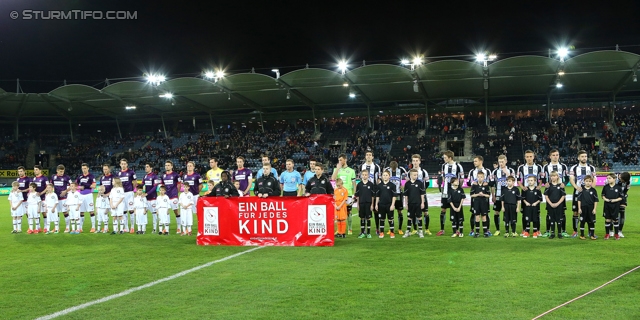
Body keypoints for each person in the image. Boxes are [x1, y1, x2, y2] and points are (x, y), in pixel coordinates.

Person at [541, 149, 570, 238]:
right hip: (551, 190)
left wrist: (564, 184)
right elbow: (543, 177)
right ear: (550, 156)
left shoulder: (563, 166)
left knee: (562, 212)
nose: (555, 156)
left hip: (560, 190)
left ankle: (563, 231)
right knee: (549, 212)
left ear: (559, 156)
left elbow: (567, 178)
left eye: (557, 155)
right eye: (553, 155)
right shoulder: (546, 167)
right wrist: (544, 183)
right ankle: (548, 231)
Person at [569, 150, 597, 238]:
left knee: (589, 212)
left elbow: (594, 179)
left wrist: (591, 189)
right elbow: (571, 179)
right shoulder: (574, 168)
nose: (584, 158)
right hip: (578, 193)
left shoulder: (591, 168)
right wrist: (576, 187)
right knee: (576, 212)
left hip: (588, 194)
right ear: (578, 158)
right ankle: (575, 231)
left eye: (585, 156)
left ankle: (590, 232)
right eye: (582, 156)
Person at [438, 150, 465, 237]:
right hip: (445, 192)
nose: (444, 159)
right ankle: (442, 229)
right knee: (443, 210)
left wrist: (457, 188)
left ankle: (457, 230)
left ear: (450, 158)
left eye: (445, 157)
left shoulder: (458, 166)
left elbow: (461, 179)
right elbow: (443, 178)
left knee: (456, 210)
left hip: (455, 192)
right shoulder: (443, 166)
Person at [517, 150, 543, 236]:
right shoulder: (521, 167)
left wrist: (539, 186)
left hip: (535, 192)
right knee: (524, 212)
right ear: (525, 157)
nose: (529, 158)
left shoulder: (539, 167)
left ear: (533, 157)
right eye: (527, 157)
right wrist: (522, 187)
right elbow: (518, 180)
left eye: (530, 156)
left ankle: (537, 230)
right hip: (525, 192)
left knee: (537, 211)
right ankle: (525, 229)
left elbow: (541, 178)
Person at [332, 154, 357, 235]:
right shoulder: (336, 169)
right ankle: (339, 230)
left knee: (348, 211)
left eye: (341, 160)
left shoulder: (351, 171)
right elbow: (333, 178)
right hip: (338, 194)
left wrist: (355, 194)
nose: (340, 161)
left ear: (345, 160)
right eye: (339, 160)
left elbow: (354, 183)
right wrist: (337, 169)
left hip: (348, 193)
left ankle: (350, 228)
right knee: (338, 213)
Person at [466, 155, 490, 236]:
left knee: (485, 214)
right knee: (474, 213)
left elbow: (491, 182)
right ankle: (473, 230)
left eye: (476, 161)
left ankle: (487, 230)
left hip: (484, 197)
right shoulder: (472, 171)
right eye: (474, 161)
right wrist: (473, 183)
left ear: (481, 161)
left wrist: (491, 193)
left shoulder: (487, 171)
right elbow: (468, 182)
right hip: (475, 197)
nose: (474, 162)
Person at [360, 151, 382, 234]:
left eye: (370, 155)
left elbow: (379, 179)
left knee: (376, 210)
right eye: (367, 155)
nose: (368, 156)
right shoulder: (361, 166)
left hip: (374, 190)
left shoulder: (376, 167)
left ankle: (377, 229)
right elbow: (360, 178)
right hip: (364, 190)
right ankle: (363, 230)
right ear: (365, 157)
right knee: (364, 210)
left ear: (373, 157)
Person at [410, 154, 431, 235]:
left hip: (422, 196)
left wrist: (422, 191)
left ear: (419, 161)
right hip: (413, 197)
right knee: (414, 213)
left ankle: (426, 229)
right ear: (412, 162)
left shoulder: (423, 172)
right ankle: (415, 229)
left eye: (416, 161)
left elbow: (427, 183)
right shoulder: (409, 172)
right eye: (414, 161)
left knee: (425, 212)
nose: (415, 162)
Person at [385, 161, 407, 235]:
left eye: (394, 169)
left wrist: (403, 184)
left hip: (398, 193)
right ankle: (391, 229)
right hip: (389, 194)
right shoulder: (387, 169)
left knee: (399, 211)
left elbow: (405, 177)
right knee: (390, 211)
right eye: (392, 169)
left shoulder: (401, 169)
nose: (393, 170)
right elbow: (383, 177)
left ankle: (400, 229)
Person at [403, 169, 426, 238]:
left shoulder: (420, 183)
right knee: (410, 217)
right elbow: (406, 195)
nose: (416, 176)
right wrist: (406, 204)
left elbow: (422, 194)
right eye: (414, 175)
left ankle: (420, 232)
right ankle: (408, 231)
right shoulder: (407, 184)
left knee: (419, 217)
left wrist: (422, 203)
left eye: (416, 175)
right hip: (410, 204)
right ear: (410, 175)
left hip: (418, 203)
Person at [601, 173, 624, 240]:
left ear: (614, 179)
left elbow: (621, 197)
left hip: (615, 205)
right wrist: (606, 199)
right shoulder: (605, 187)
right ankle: (607, 234)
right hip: (607, 205)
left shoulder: (618, 187)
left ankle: (616, 234)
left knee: (615, 220)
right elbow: (603, 195)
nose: (608, 179)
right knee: (607, 219)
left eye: (609, 178)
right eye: (607, 178)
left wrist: (614, 200)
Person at [162, 160, 182, 234]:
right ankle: (166, 228)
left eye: (168, 165)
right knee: (166, 212)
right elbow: (162, 186)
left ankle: (179, 228)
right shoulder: (163, 175)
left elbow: (179, 184)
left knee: (176, 211)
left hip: (173, 196)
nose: (167, 166)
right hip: (166, 197)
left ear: (171, 166)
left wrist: (177, 193)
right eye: (166, 165)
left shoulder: (176, 175)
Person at [544, 171, 566, 239]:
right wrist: (550, 203)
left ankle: (559, 233)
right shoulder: (548, 186)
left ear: (557, 177)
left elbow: (563, 196)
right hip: (550, 205)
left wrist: (557, 203)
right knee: (552, 219)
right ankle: (552, 233)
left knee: (559, 219)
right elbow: (546, 196)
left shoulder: (561, 185)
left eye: (554, 176)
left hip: (559, 205)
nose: (553, 177)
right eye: (552, 176)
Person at [117, 158, 137, 234]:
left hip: (129, 193)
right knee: (124, 211)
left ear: (127, 164)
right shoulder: (118, 173)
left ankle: (132, 227)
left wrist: (134, 191)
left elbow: (135, 182)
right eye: (122, 164)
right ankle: (126, 227)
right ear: (120, 164)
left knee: (131, 210)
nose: (123, 165)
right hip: (122, 194)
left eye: (124, 164)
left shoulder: (131, 172)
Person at [354, 170, 376, 239]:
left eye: (366, 174)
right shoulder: (359, 184)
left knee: (368, 218)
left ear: (368, 175)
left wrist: (372, 204)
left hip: (368, 203)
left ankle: (369, 233)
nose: (364, 176)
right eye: (363, 174)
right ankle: (363, 232)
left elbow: (372, 196)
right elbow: (357, 196)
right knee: (362, 218)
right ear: (361, 175)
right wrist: (357, 205)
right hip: (361, 203)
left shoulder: (371, 184)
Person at [376, 170, 397, 239]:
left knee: (390, 219)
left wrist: (393, 204)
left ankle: (392, 232)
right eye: (384, 175)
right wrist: (376, 204)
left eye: (386, 175)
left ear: (389, 176)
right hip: (381, 205)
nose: (385, 176)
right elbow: (377, 196)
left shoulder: (392, 185)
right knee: (382, 219)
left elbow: (394, 196)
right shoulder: (379, 186)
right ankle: (381, 232)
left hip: (389, 204)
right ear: (382, 176)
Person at [76, 163, 96, 233]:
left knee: (91, 211)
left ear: (88, 168)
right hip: (81, 195)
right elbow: (75, 186)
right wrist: (79, 187)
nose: (84, 170)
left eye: (85, 168)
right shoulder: (80, 176)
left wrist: (86, 185)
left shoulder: (91, 176)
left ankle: (93, 227)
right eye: (82, 168)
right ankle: (80, 227)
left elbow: (94, 186)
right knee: (81, 212)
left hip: (88, 195)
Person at [51, 164, 71, 233]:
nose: (62, 173)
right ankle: (57, 228)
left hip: (63, 198)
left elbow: (72, 186)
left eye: (62, 171)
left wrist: (65, 191)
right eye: (60, 171)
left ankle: (67, 227)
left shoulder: (67, 177)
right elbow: (51, 185)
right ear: (57, 171)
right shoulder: (53, 177)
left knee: (65, 212)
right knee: (56, 213)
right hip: (56, 199)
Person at [470, 171, 491, 237]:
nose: (480, 178)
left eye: (481, 177)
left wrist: (483, 194)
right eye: (478, 177)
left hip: (484, 203)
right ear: (477, 177)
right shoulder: (474, 185)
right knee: (477, 217)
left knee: (484, 217)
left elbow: (488, 195)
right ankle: (477, 233)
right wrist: (478, 194)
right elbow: (471, 195)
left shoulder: (486, 185)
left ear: (483, 177)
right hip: (476, 203)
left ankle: (485, 232)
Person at [577, 175, 598, 240]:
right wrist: (579, 208)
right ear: (584, 182)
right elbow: (579, 200)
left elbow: (596, 200)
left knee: (591, 222)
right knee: (582, 221)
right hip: (583, 208)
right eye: (586, 181)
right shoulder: (581, 190)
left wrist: (594, 209)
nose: (588, 182)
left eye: (589, 181)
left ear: (592, 182)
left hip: (591, 208)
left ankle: (592, 235)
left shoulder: (593, 190)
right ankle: (582, 235)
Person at [143, 163, 162, 234]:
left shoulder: (155, 176)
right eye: (145, 167)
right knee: (144, 213)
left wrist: (147, 193)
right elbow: (142, 184)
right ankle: (143, 229)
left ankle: (154, 229)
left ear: (151, 168)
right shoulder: (145, 176)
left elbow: (155, 187)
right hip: (146, 198)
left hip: (153, 198)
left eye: (147, 167)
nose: (146, 168)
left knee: (154, 213)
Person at [32, 165, 49, 233]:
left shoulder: (45, 178)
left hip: (43, 198)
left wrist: (41, 193)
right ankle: (38, 227)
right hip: (36, 199)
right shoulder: (34, 179)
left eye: (36, 169)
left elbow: (47, 187)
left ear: (40, 170)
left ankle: (45, 227)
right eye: (34, 169)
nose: (35, 171)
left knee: (44, 213)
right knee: (37, 213)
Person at [615, 172, 631, 237]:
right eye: (622, 180)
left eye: (624, 181)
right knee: (613, 214)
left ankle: (620, 231)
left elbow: (625, 190)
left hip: (622, 197)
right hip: (614, 197)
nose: (622, 181)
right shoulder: (615, 177)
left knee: (622, 213)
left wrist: (623, 197)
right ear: (620, 176)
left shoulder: (628, 182)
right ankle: (611, 231)